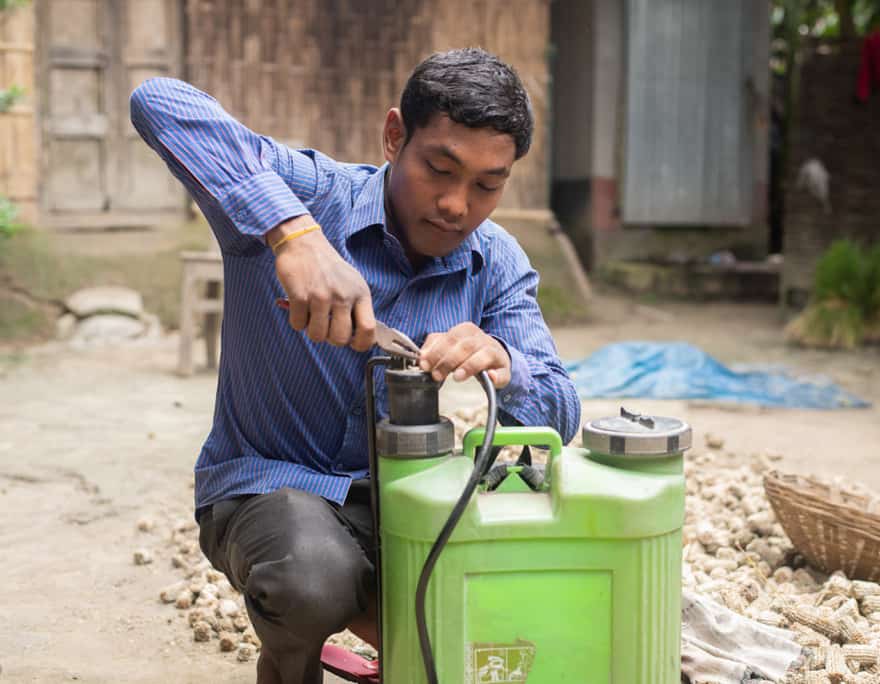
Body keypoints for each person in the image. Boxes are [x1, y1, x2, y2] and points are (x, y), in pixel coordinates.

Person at [130, 48, 580, 684]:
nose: (456, 205)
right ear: (395, 136)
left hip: (409, 502)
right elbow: (158, 101)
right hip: (269, 486)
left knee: (529, 608)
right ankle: (294, 660)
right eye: (440, 169)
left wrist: (509, 365)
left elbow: (562, 413)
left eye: (487, 184)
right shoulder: (309, 195)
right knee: (315, 579)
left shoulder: (497, 262)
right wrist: (293, 237)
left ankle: (398, 629)